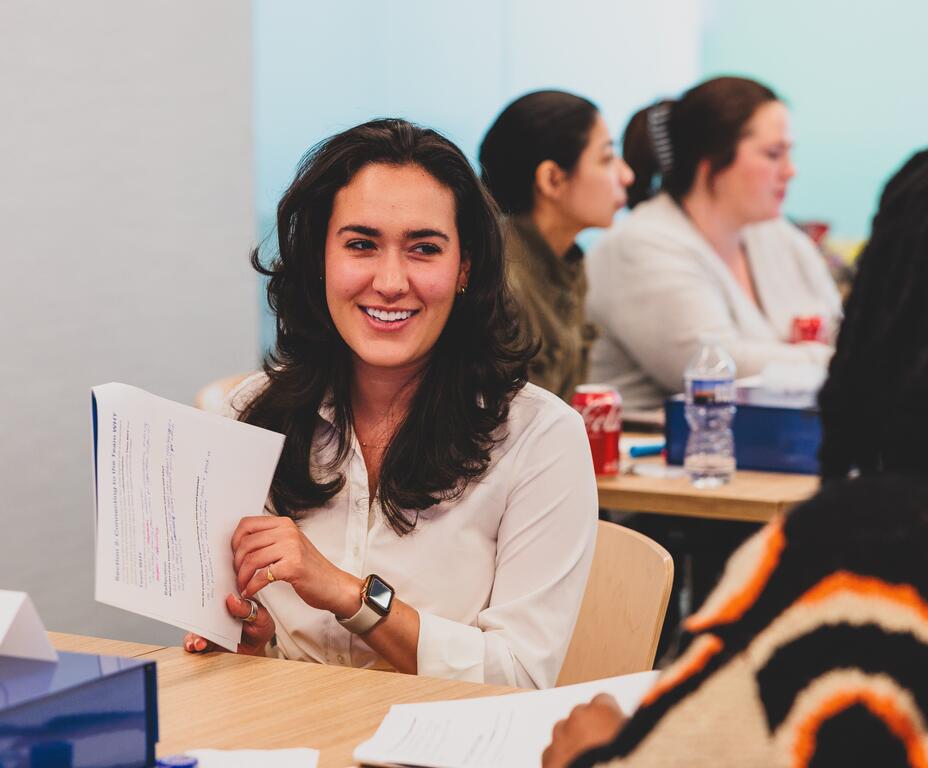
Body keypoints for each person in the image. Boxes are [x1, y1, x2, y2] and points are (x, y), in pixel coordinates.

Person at [542, 136, 928, 765]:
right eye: (773, 151)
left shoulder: (870, 553)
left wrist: (594, 755)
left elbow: (683, 751)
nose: (789, 169)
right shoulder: (652, 246)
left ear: (890, 305)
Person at [183, 119, 598, 690]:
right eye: (361, 245)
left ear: (465, 269)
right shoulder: (249, 417)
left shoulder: (540, 436)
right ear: (319, 259)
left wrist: (351, 595)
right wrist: (252, 646)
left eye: (424, 249)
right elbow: (268, 661)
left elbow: (520, 677)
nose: (390, 281)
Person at [587, 77, 842, 410]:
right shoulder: (638, 245)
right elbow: (713, 366)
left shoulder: (775, 233)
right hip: (656, 451)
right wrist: (838, 361)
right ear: (711, 160)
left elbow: (841, 328)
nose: (790, 171)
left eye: (789, 153)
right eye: (773, 154)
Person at [479, 90, 634, 402]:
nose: (626, 175)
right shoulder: (502, 279)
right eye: (605, 158)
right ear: (552, 179)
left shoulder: (569, 264)